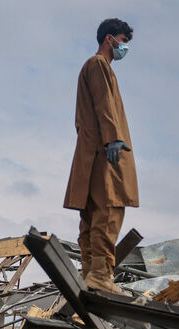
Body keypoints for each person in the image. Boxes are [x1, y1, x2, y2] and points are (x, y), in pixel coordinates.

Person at [63, 18, 137, 294]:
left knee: (92, 216)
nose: (125, 48)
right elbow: (105, 104)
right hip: (105, 153)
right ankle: (100, 275)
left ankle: (89, 274)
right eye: (123, 41)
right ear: (110, 39)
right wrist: (113, 139)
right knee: (109, 209)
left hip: (92, 152)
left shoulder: (95, 67)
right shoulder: (98, 65)